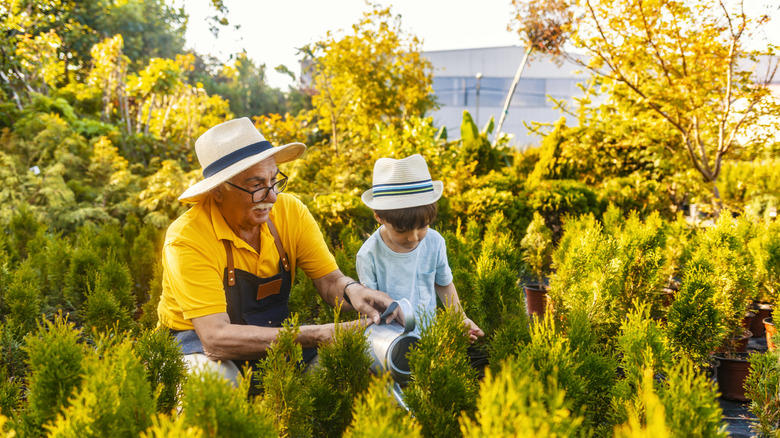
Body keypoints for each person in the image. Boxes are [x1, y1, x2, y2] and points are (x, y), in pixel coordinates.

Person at [157, 117, 394, 384]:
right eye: (256, 185)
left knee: (341, 372)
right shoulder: (187, 238)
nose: (272, 197)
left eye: (274, 180)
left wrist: (353, 290)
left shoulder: (291, 211)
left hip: (271, 335)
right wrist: (318, 334)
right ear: (218, 192)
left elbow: (330, 281)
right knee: (215, 382)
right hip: (196, 344)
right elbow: (215, 339)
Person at [356, 154, 484, 341]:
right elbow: (370, 310)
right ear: (379, 217)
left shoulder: (434, 242)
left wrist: (459, 318)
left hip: (429, 338)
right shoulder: (369, 255)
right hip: (390, 343)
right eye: (401, 230)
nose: (414, 237)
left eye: (423, 226)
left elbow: (443, 282)